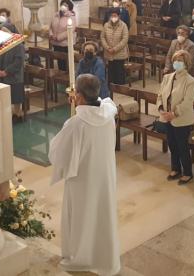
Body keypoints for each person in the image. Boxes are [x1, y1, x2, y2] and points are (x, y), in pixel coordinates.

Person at [48, 74, 121, 275]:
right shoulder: (108, 113)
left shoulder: (76, 124)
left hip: (82, 181)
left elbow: (57, 153)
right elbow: (103, 105)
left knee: (83, 217)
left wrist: (75, 111)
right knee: (102, 215)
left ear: (78, 96)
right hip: (104, 176)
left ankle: (81, 258)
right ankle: (105, 258)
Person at [158, 50, 194, 185]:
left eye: (180, 61)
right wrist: (161, 109)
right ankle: (175, 168)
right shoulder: (167, 77)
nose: (177, 63)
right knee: (172, 144)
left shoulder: (190, 81)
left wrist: (174, 113)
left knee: (182, 146)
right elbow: (160, 95)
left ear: (186, 63)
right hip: (167, 117)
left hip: (181, 119)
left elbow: (187, 101)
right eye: (175, 60)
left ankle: (187, 172)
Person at [0, 11, 26, 117]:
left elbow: (18, 62)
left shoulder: (18, 45)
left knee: (15, 98)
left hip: (14, 77)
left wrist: (6, 72)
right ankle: (7, 116)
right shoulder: (0, 44)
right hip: (1, 76)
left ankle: (17, 114)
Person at [101, 9, 129, 86]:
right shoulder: (106, 25)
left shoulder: (123, 26)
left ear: (119, 16)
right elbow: (103, 37)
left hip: (119, 53)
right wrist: (107, 47)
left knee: (119, 71)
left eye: (115, 16)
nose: (113, 17)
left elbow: (125, 39)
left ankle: (120, 88)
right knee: (111, 71)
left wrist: (115, 49)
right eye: (112, 16)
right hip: (109, 52)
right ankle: (111, 87)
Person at [49, 0, 77, 71]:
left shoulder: (71, 17)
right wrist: (51, 35)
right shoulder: (56, 15)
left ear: (69, 7)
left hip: (65, 43)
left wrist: (58, 37)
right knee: (59, 59)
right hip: (55, 42)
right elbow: (50, 26)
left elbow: (70, 31)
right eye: (62, 5)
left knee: (65, 59)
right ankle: (60, 73)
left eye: (65, 5)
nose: (63, 6)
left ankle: (66, 74)